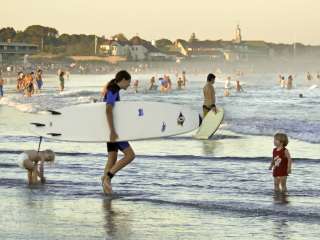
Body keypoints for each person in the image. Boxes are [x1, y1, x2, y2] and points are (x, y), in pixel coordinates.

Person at [102, 70, 135, 195]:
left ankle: (106, 188)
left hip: (109, 130)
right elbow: (108, 110)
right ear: (123, 80)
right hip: (114, 131)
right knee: (130, 155)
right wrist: (112, 131)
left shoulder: (113, 89)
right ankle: (108, 177)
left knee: (112, 160)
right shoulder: (113, 91)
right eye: (128, 82)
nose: (129, 85)